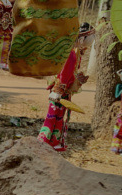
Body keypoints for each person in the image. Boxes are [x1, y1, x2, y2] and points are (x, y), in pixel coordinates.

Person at [36, 23, 95, 151]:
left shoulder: (73, 52)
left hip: (64, 90)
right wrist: (58, 90)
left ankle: (53, 141)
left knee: (58, 115)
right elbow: (64, 74)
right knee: (54, 115)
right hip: (60, 90)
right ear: (80, 39)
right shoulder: (71, 54)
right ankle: (45, 140)